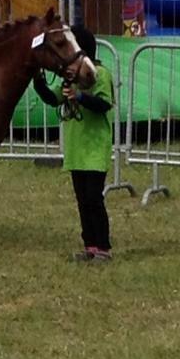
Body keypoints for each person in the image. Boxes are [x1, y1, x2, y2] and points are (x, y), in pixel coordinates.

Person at [34, 24, 115, 262]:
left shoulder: (100, 75)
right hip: (76, 149)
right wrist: (38, 81)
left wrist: (80, 97)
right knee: (82, 199)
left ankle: (103, 246)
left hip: (94, 149)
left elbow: (104, 104)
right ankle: (89, 244)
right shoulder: (71, 80)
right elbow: (52, 99)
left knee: (93, 197)